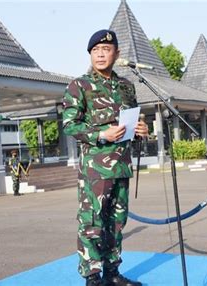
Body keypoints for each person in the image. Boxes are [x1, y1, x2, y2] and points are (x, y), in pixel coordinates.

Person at [62, 29, 148, 286]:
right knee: (93, 222)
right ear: (90, 54)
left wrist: (140, 130)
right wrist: (101, 134)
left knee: (117, 223)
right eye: (96, 50)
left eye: (106, 50)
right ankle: (92, 277)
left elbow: (129, 123)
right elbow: (69, 125)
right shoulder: (80, 85)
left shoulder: (126, 86)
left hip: (121, 166)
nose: (100, 54)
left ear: (116, 54)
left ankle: (112, 273)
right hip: (95, 170)